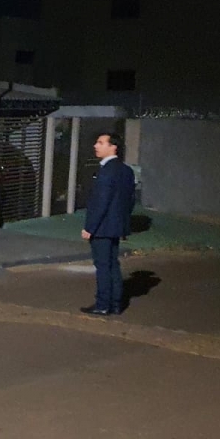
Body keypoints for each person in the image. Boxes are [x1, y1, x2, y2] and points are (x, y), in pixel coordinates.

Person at [81, 132, 136, 316]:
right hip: (116, 225)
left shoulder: (105, 171)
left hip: (102, 227)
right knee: (113, 264)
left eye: (100, 143)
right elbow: (129, 200)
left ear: (113, 147)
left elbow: (101, 202)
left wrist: (90, 227)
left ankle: (103, 304)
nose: (96, 146)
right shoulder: (126, 170)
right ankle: (116, 303)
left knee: (103, 265)